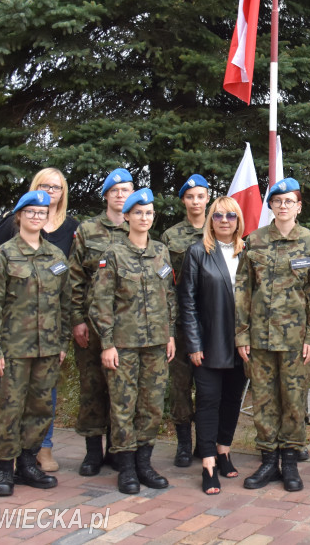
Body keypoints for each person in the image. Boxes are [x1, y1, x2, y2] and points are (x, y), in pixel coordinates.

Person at [0, 167, 79, 472]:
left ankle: (28, 464)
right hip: (14, 346)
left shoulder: (57, 255)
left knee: (40, 408)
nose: (37, 216)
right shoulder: (4, 252)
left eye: (41, 212)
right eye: (31, 212)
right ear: (20, 216)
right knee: (10, 408)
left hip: (48, 346)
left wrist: (63, 342)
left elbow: (66, 302)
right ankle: (4, 469)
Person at [236, 178, 310, 492]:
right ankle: (267, 463)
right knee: (263, 402)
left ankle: (289, 464)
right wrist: (242, 336)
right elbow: (243, 293)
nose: (284, 205)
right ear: (271, 206)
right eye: (278, 201)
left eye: (290, 201)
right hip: (260, 339)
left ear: (299, 206)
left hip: (296, 341)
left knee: (293, 402)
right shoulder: (255, 241)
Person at [89, 188, 177, 494]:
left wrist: (170, 333)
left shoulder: (161, 252)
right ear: (126, 216)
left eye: (149, 212)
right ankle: (125, 468)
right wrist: (107, 343)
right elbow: (101, 303)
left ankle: (144, 463)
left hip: (155, 343)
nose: (144, 217)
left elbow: (169, 296)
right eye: (138, 212)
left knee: (151, 406)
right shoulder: (113, 254)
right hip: (123, 345)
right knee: (123, 405)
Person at [179, 196, 249, 495]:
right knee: (208, 402)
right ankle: (207, 462)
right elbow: (188, 301)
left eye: (230, 216)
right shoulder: (197, 252)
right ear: (210, 220)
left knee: (233, 400)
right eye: (218, 216)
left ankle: (223, 450)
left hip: (241, 343)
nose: (224, 221)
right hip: (209, 343)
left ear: (238, 220)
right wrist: (193, 343)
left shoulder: (248, 252)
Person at [68, 167, 134, 476]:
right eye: (116, 191)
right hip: (92, 327)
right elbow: (75, 277)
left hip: (127, 326)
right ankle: (93, 452)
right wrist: (77, 319)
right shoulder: (88, 230)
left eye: (126, 190)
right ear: (106, 195)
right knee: (92, 387)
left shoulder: (139, 226)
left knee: (120, 389)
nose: (121, 196)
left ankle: (117, 451)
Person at [161, 173, 209, 467]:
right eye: (190, 197)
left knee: (206, 386)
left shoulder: (218, 229)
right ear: (183, 201)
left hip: (210, 323)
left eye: (201, 196)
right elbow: (167, 283)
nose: (195, 201)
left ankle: (204, 441)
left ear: (207, 199)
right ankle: (182, 444)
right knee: (180, 386)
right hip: (180, 322)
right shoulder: (170, 236)